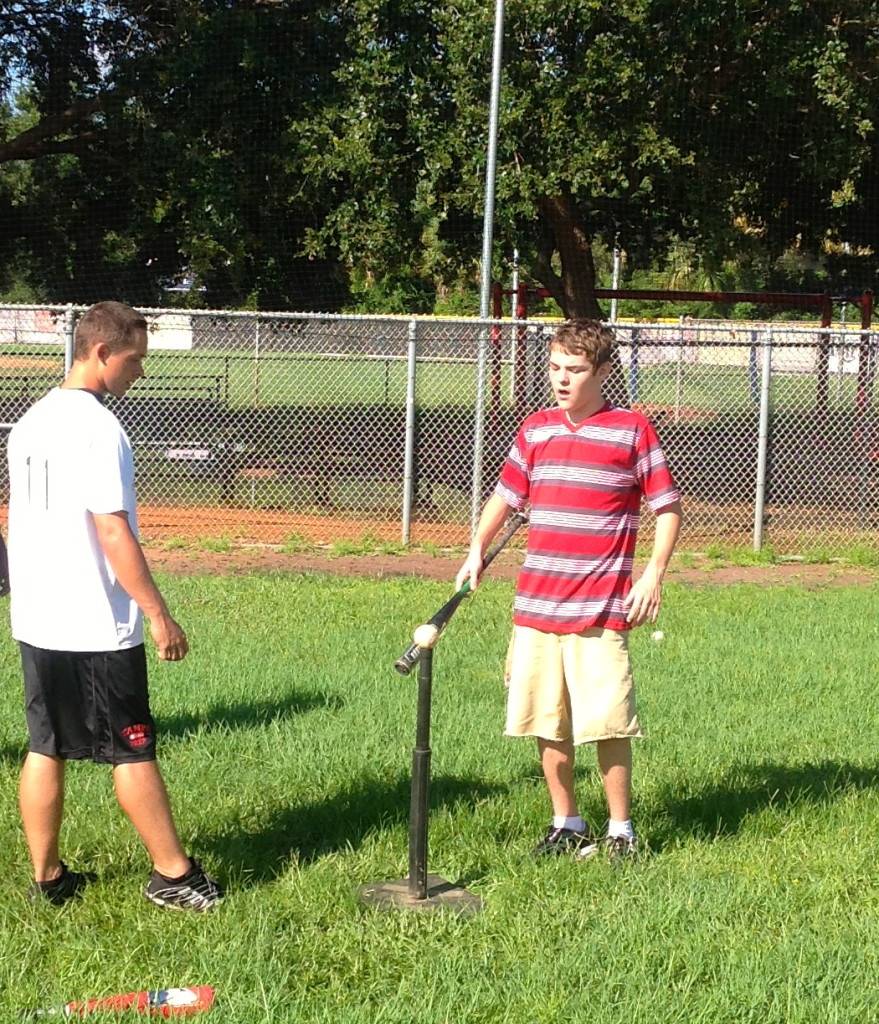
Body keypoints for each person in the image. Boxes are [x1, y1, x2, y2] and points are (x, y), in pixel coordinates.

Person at [6, 300, 222, 909]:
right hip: (95, 625)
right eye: (135, 361)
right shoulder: (100, 429)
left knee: (46, 745)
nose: (139, 373)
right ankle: (174, 877)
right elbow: (112, 531)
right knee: (131, 746)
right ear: (101, 352)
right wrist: (157, 613)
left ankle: (48, 880)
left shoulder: (31, 422)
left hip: (38, 619)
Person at [457, 319, 682, 860]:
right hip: (535, 607)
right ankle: (567, 823)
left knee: (607, 721)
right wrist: (475, 550)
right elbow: (506, 498)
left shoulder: (631, 430)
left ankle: (620, 833)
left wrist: (652, 574)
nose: (561, 379)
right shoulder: (535, 430)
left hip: (600, 610)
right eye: (555, 368)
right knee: (547, 720)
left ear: (604, 371)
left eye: (575, 370)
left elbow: (667, 508)